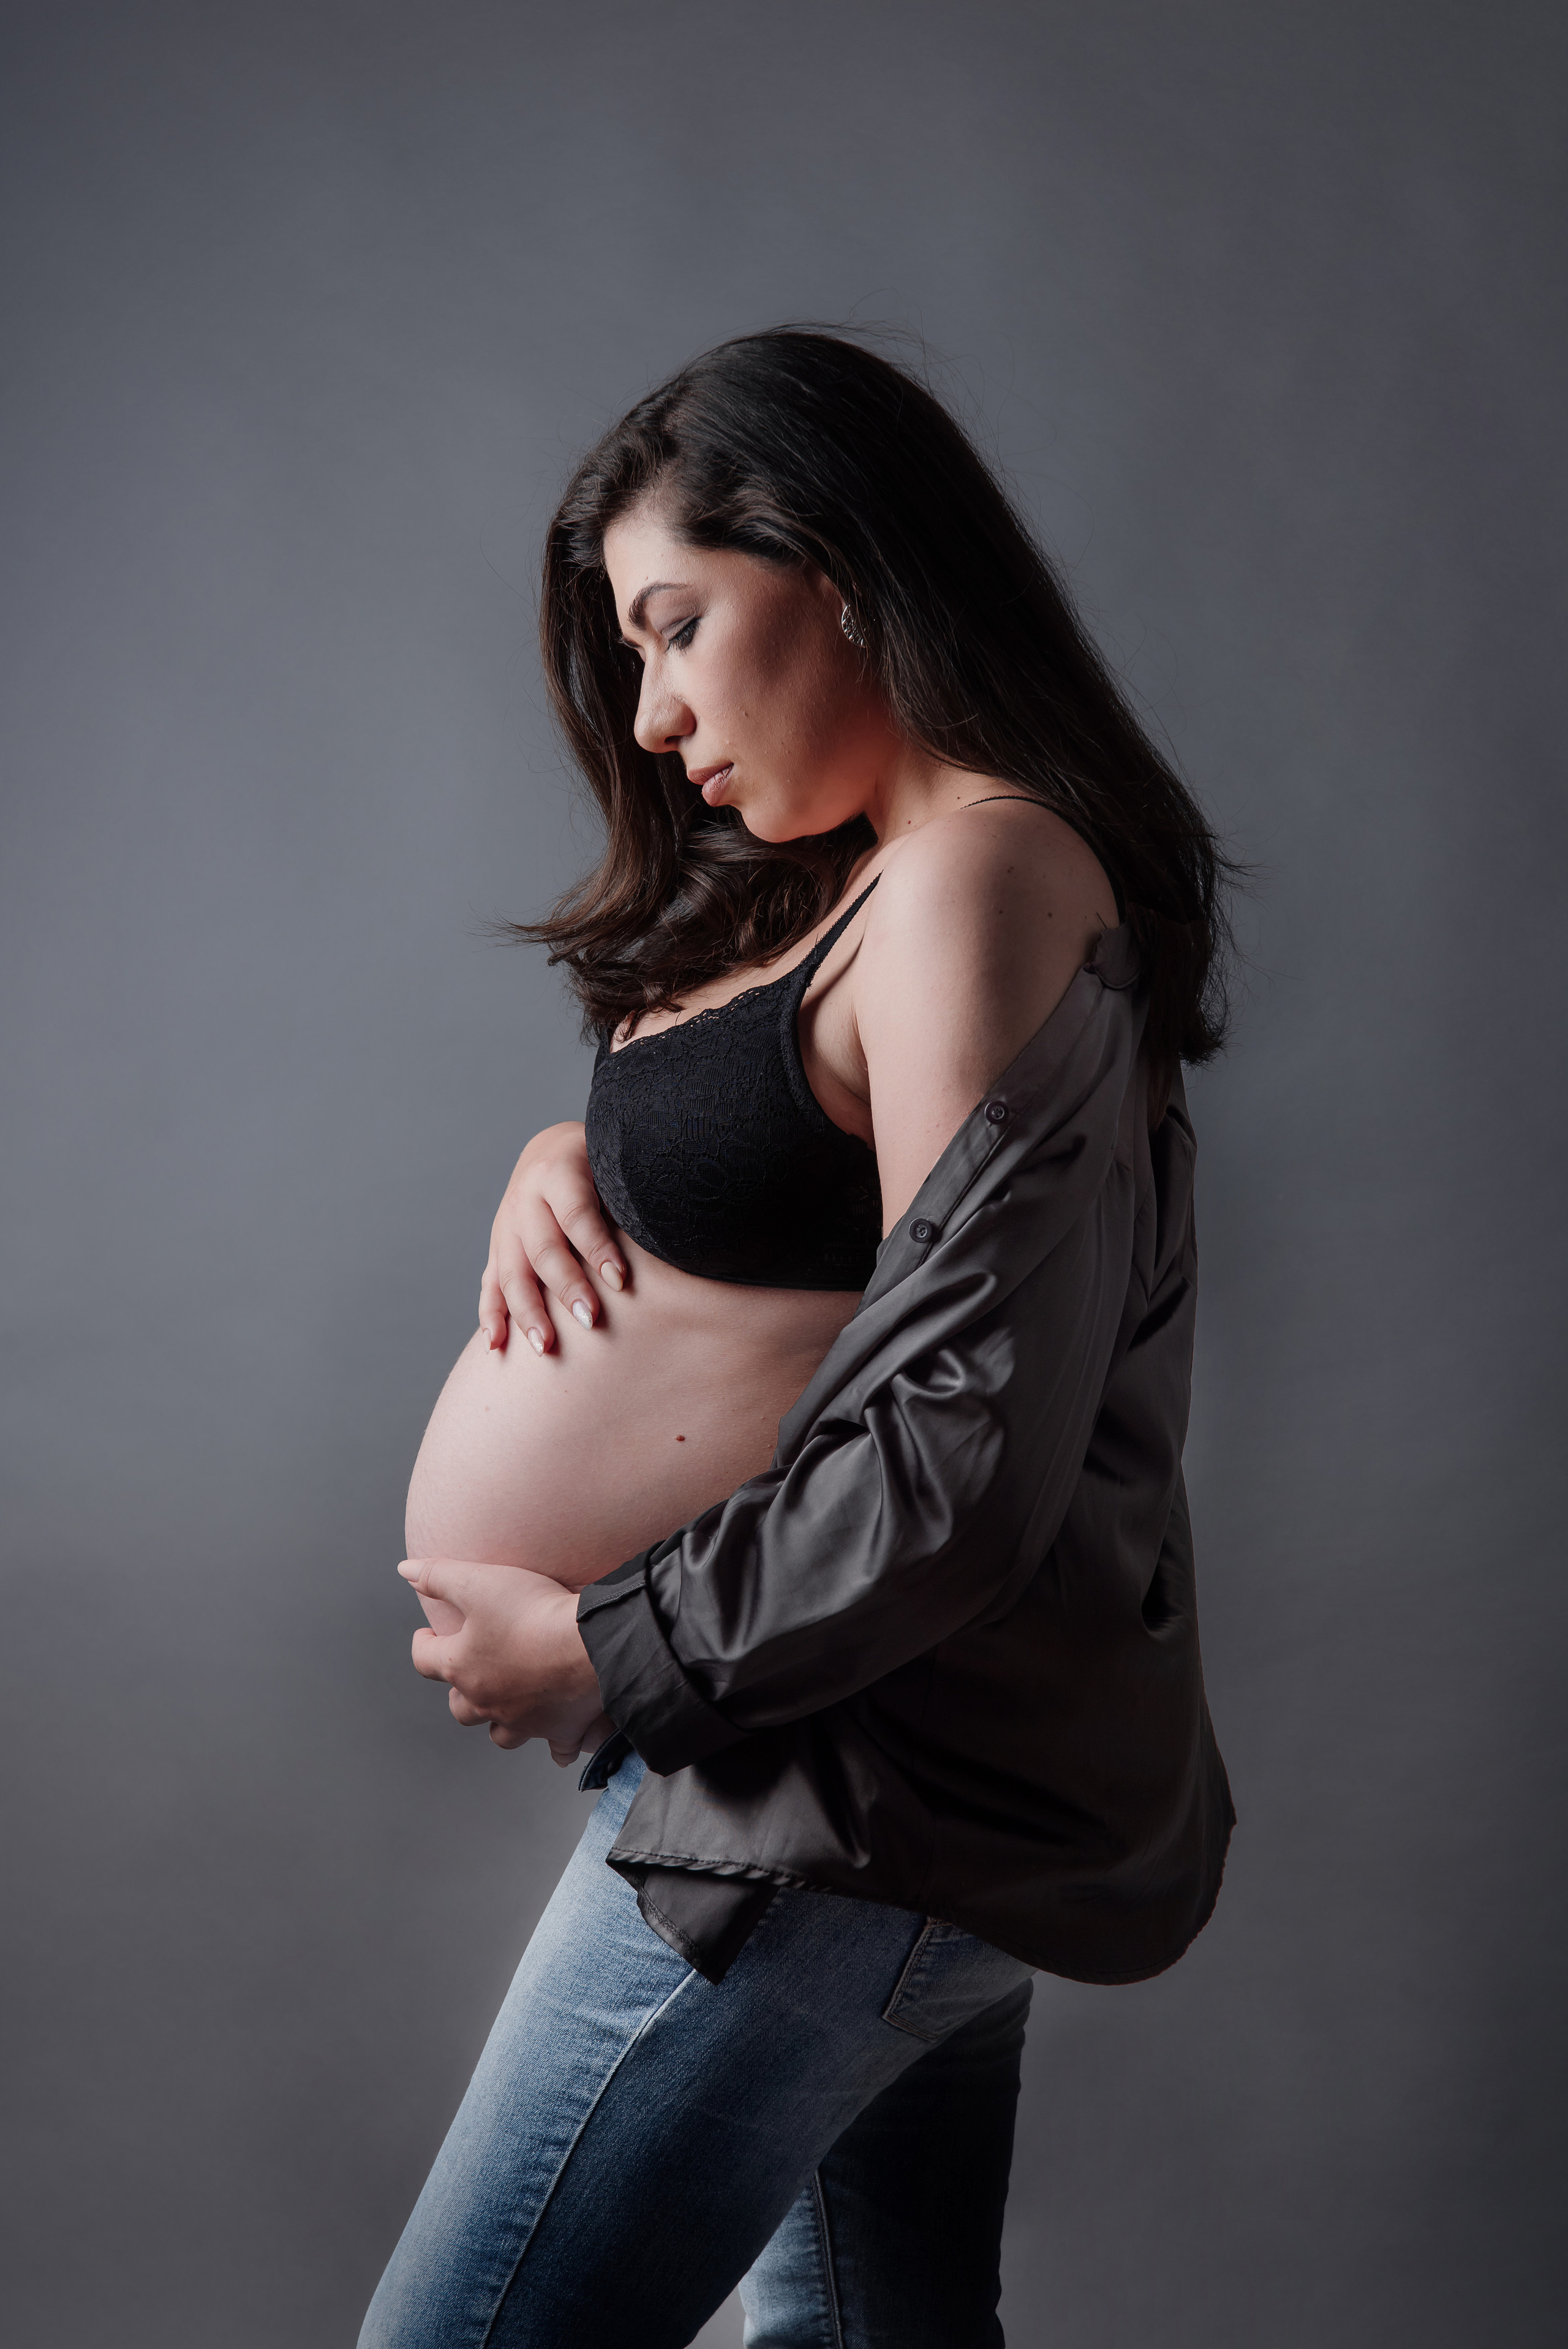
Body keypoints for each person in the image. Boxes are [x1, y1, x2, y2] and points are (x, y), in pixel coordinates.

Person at [360, 330, 1236, 2349]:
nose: (656, 716)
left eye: (678, 628)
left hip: (836, 1814)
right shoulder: (874, 882)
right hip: (834, 1789)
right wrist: (563, 1160)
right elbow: (845, 1233)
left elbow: (964, 1444)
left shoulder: (979, 874)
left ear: (835, 565)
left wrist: (602, 1649)